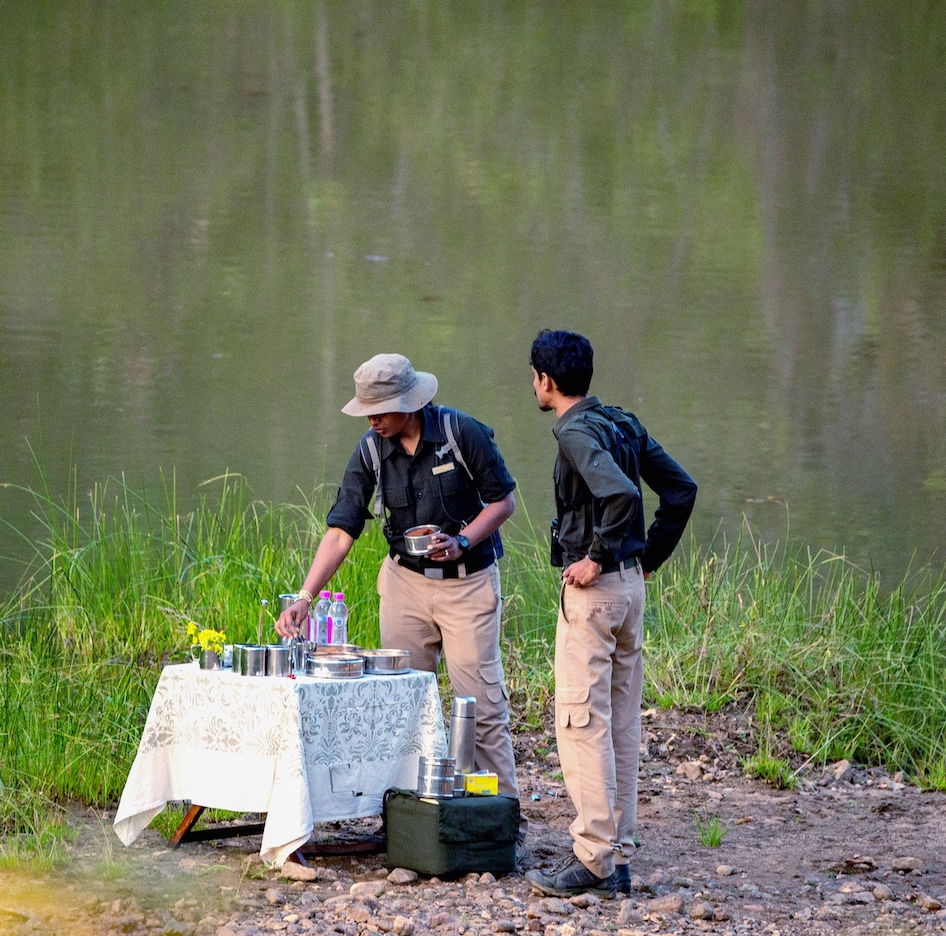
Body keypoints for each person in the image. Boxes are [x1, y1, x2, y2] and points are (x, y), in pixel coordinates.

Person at [276, 353, 522, 800]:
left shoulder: (459, 433)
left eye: (380, 410)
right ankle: (409, 814)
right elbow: (340, 531)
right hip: (404, 585)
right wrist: (304, 597)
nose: (372, 420)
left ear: (410, 403)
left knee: (480, 707)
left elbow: (502, 502)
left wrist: (462, 541)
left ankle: (500, 814)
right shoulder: (370, 450)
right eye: (366, 411)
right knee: (401, 704)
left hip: (467, 584)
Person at [524, 329, 697, 898]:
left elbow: (621, 494)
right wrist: (648, 558)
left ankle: (594, 858)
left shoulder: (575, 432)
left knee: (581, 721)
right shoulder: (622, 422)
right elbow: (681, 490)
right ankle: (617, 854)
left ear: (546, 380)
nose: (534, 384)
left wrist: (596, 559)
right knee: (619, 721)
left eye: (534, 376)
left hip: (597, 594)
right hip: (630, 591)